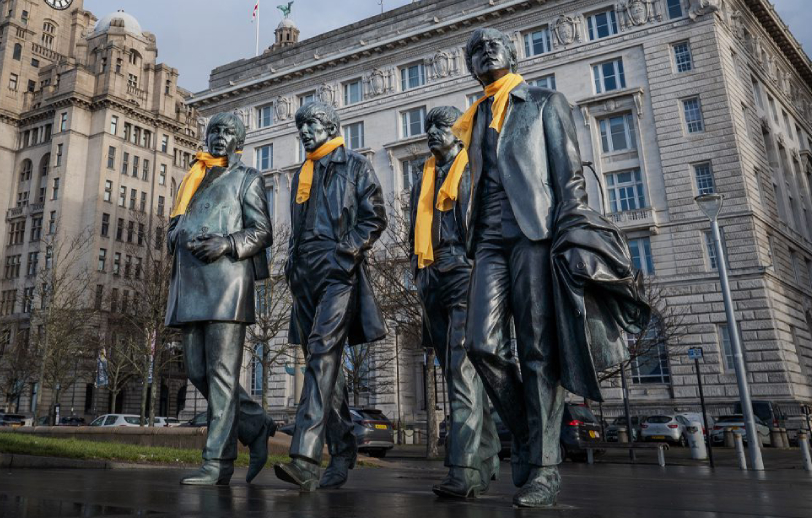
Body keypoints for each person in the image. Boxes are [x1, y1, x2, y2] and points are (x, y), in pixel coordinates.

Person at [458, 28, 649, 507]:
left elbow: (569, 175)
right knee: (481, 344)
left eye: (493, 44)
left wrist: (570, 233)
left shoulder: (544, 101)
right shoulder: (475, 115)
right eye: (475, 50)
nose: (485, 51)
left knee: (539, 350)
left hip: (537, 234)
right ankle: (526, 435)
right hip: (487, 240)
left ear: (513, 52)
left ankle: (544, 467)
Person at [274, 99, 388, 491]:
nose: (305, 131)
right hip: (303, 272)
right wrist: (290, 263)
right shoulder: (299, 175)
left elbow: (375, 217)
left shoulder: (355, 165)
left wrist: (347, 253)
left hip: (339, 269)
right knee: (328, 369)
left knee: (322, 354)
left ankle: (305, 458)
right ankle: (342, 448)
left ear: (331, 125)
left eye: (313, 123)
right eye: (301, 125)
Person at [166, 112, 277, 485]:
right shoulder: (194, 177)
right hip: (191, 283)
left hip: (227, 284)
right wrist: (175, 234)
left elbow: (262, 231)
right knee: (197, 370)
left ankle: (217, 463)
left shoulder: (247, 178)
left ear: (238, 141)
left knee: (221, 374)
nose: (219, 137)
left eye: (228, 132)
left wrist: (227, 243)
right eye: (214, 131)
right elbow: (178, 221)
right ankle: (256, 424)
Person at [409, 106, 501, 499]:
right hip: (432, 274)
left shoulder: (476, 168)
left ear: (458, 133)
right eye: (429, 127)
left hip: (466, 271)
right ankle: (488, 454)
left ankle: (462, 468)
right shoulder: (422, 179)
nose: (433, 133)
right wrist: (418, 272)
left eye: (441, 127)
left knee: (463, 369)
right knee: (456, 371)